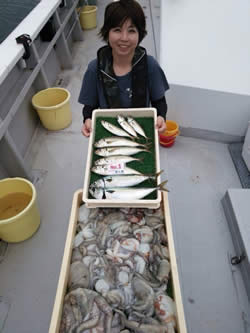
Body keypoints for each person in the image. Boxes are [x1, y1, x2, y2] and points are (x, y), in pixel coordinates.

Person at [78, 0, 169, 137]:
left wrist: (161, 117)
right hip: (110, 133)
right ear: (107, 33)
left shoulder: (150, 65)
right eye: (117, 30)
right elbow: (89, 107)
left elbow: (159, 101)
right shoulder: (94, 69)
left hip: (140, 131)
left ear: (140, 34)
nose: (124, 38)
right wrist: (87, 120)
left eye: (131, 30)